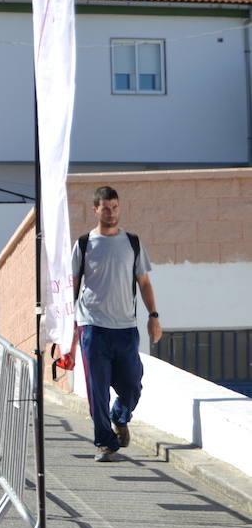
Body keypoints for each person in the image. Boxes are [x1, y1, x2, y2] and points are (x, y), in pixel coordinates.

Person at [72, 186, 161, 463]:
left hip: (125, 328)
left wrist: (154, 316)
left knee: (132, 385)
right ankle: (104, 443)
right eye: (105, 208)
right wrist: (68, 328)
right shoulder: (85, 243)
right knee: (96, 389)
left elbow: (144, 283)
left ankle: (120, 417)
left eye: (115, 207)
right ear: (95, 209)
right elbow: (73, 285)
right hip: (93, 326)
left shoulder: (132, 242)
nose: (111, 213)